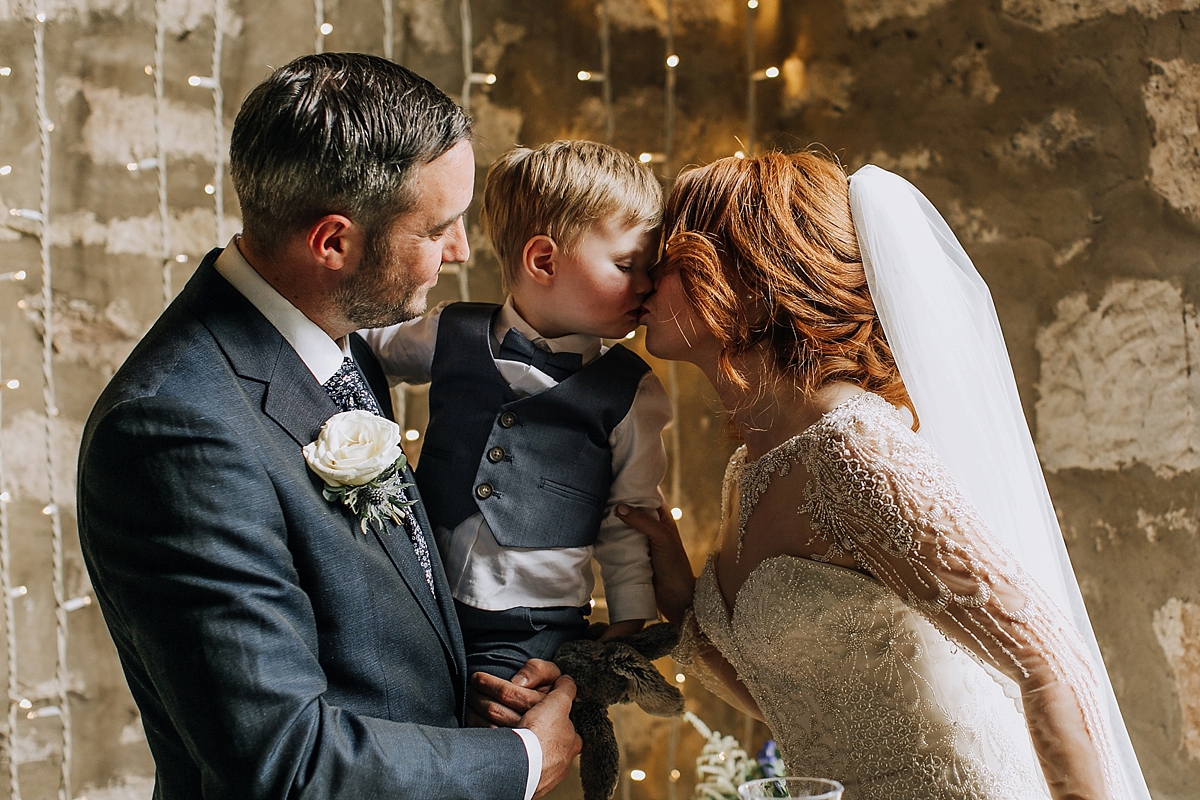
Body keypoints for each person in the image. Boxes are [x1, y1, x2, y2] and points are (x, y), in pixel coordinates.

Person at [76, 53, 580, 800]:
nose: (461, 251)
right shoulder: (176, 430)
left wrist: (463, 692)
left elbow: (356, 620)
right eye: (438, 227)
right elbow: (284, 759)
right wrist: (522, 763)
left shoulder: (329, 338)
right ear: (334, 242)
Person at [616, 151, 1152, 799]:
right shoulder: (748, 468)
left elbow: (1051, 665)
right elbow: (794, 699)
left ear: (747, 277)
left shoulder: (854, 452)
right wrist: (676, 588)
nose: (642, 277)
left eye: (666, 257)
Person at [362, 140, 670, 679]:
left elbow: (629, 514)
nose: (647, 285)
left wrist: (630, 616)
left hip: (536, 627)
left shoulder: (631, 392)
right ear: (544, 260)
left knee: (503, 724)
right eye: (627, 265)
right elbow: (361, 350)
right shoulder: (449, 332)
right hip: (421, 595)